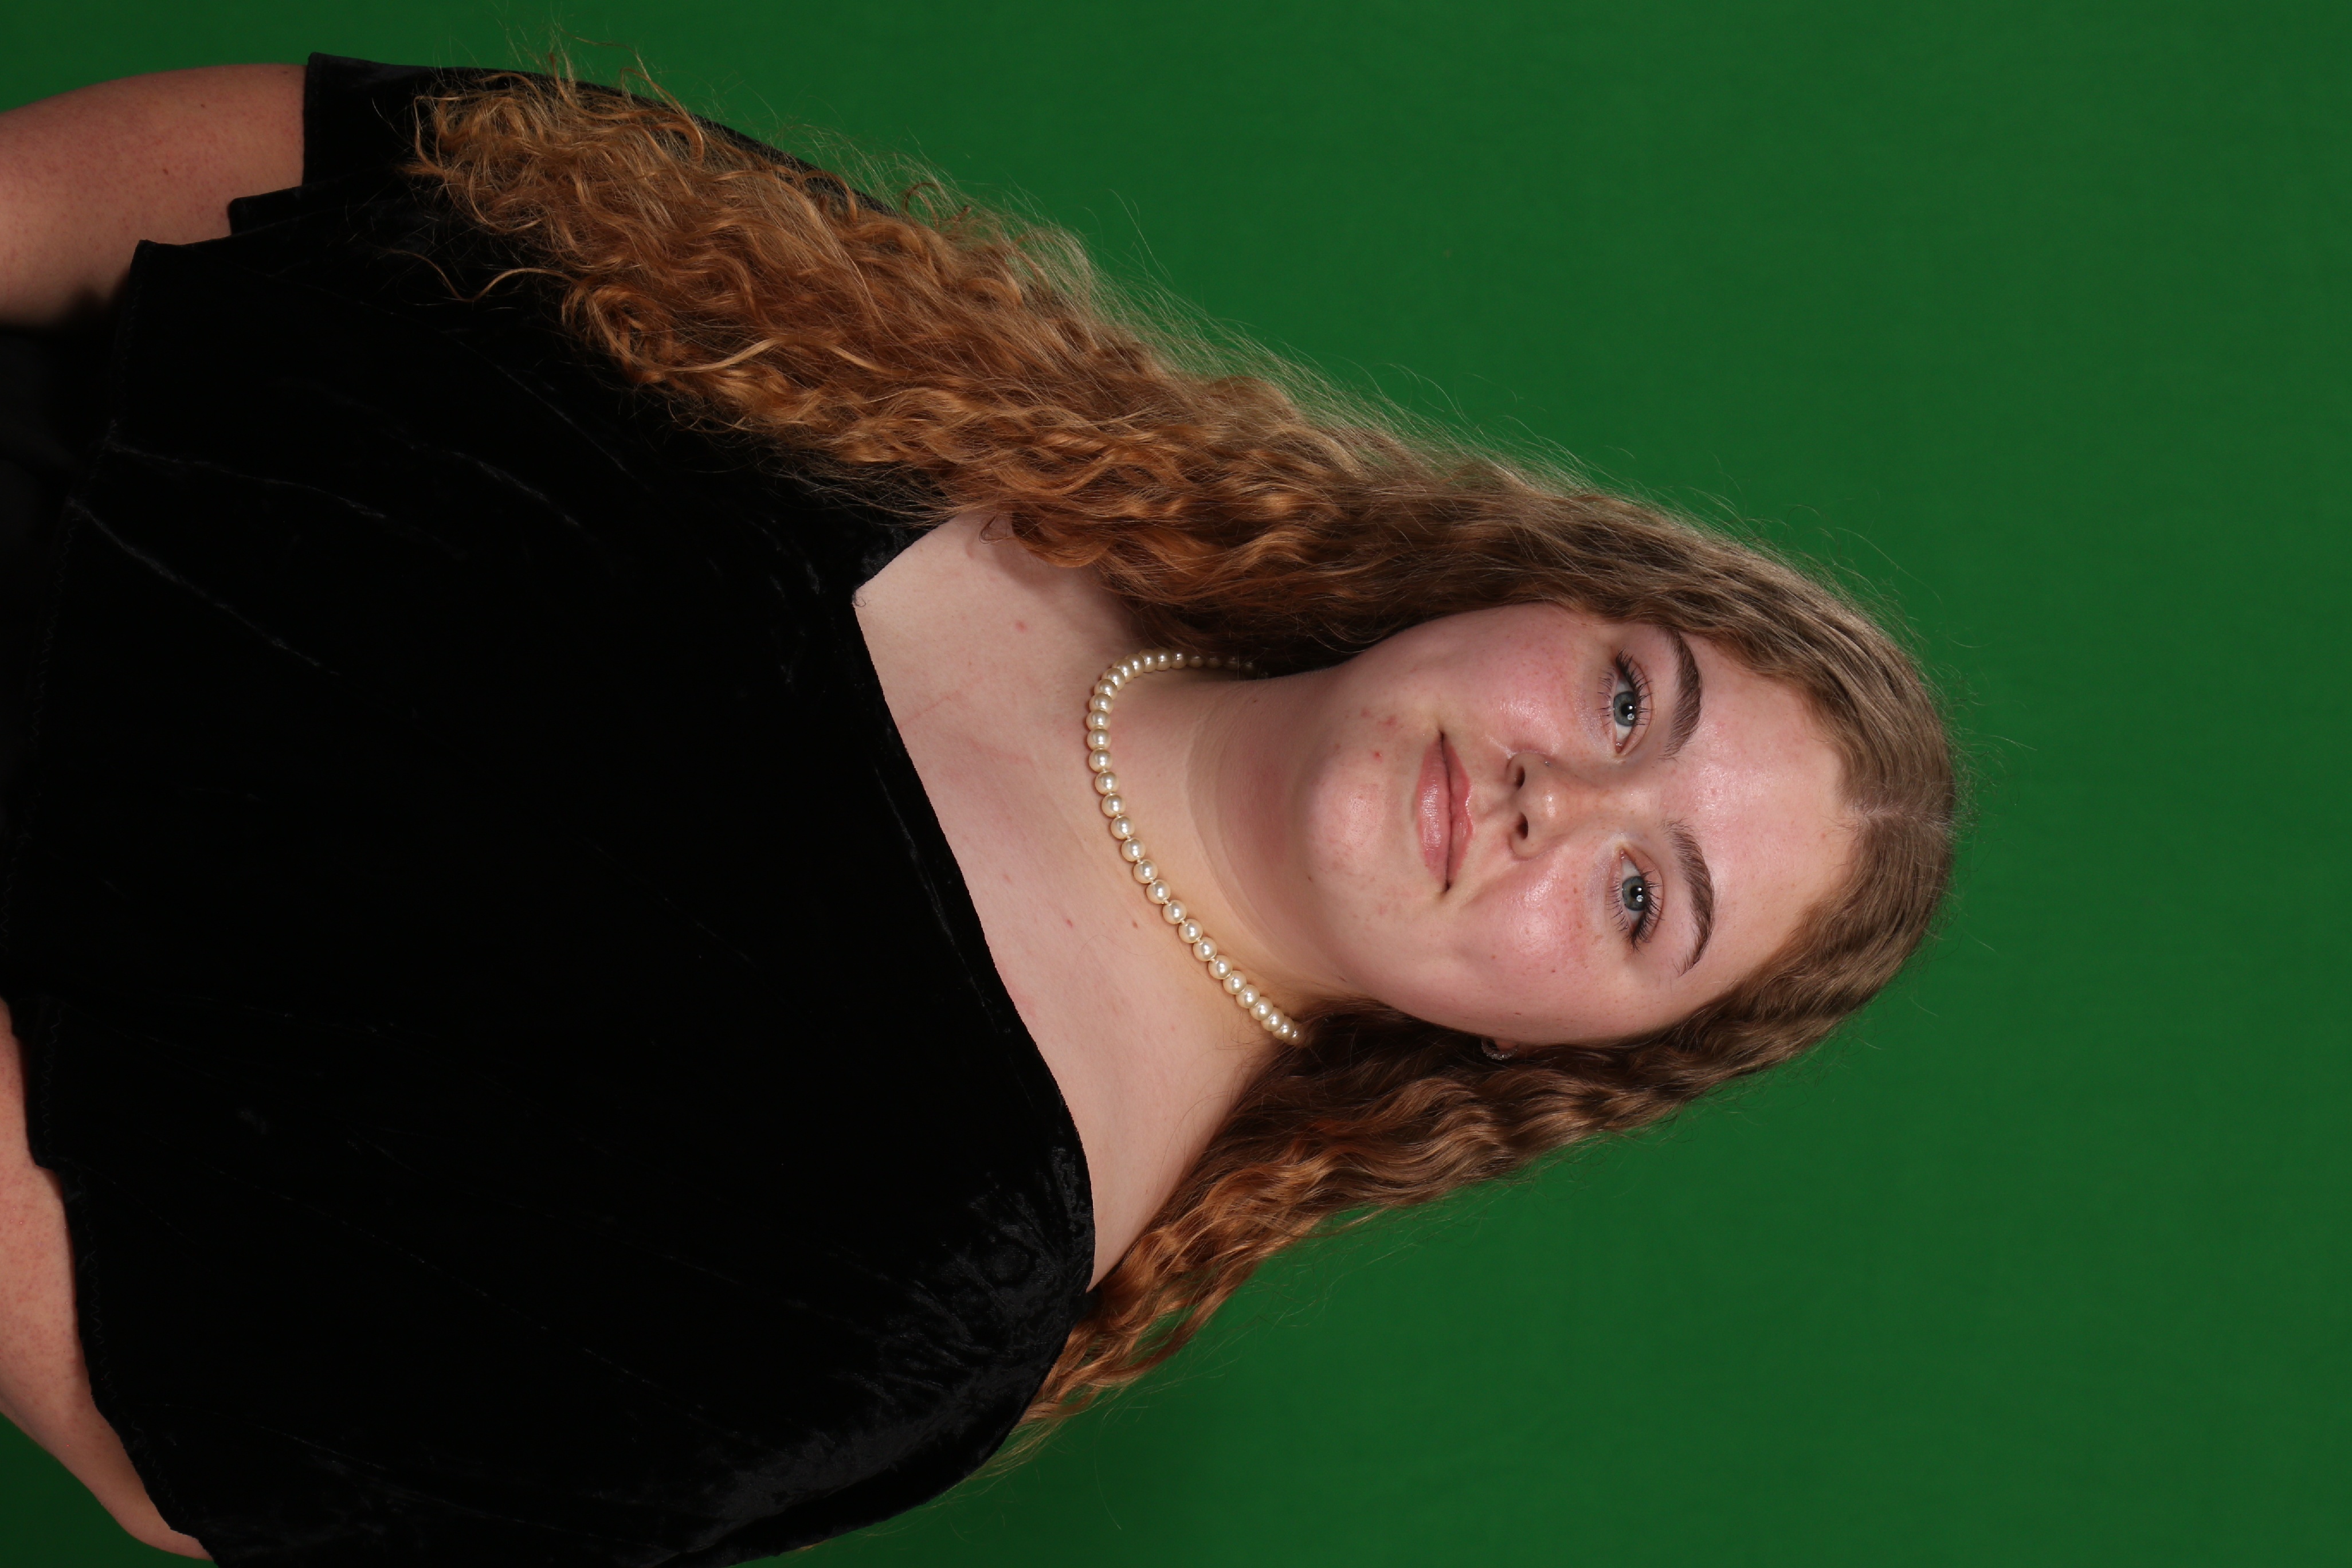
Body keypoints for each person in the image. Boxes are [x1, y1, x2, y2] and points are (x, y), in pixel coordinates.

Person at [0, 53, 1957, 1567]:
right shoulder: (931, 371)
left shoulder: (921, 1280)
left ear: (1543, 1058)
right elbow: (365, 156)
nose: (1558, 801)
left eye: (1642, 900)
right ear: (1540, 586)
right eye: (1628, 697)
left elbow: (183, 1436)